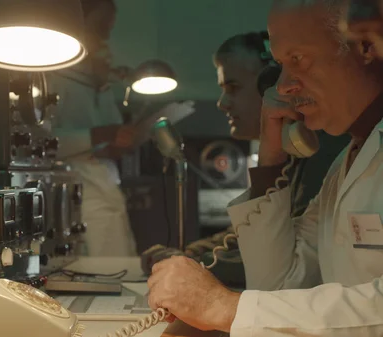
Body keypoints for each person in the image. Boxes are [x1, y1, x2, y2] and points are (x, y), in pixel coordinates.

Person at [147, 0, 383, 335]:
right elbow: (280, 287)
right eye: (280, 66)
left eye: (297, 59)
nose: (282, 86)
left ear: (367, 44)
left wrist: (223, 306)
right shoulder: (346, 163)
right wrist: (270, 159)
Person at [141, 32, 349, 289]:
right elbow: (245, 235)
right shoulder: (295, 151)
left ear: (270, 86)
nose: (222, 104)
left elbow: (284, 259)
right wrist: (192, 253)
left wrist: (196, 265)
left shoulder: (322, 154)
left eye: (233, 88)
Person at [46, 0, 138, 256]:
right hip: (75, 189)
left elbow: (112, 131)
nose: (106, 36)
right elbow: (42, 144)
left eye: (109, 28)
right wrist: (98, 136)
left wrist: (118, 142)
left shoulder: (99, 79)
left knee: (121, 259)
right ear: (79, 24)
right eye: (100, 27)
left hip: (106, 184)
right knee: (102, 265)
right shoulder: (54, 76)